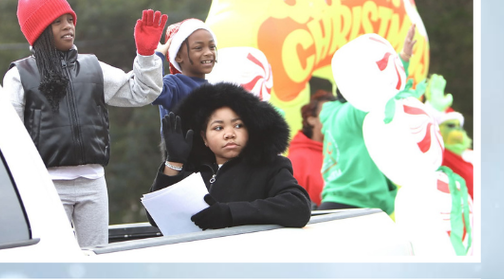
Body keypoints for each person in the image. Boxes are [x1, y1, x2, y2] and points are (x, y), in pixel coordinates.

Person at [4, 0, 166, 248]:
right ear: (40, 30)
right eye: (58, 22)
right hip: (47, 187)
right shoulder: (19, 75)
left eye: (70, 20)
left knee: (97, 261)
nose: (68, 26)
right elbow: (8, 137)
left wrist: (146, 55)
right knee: (54, 261)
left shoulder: (93, 67)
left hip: (93, 184)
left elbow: (141, 92)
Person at [152, 81, 312, 230]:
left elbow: (298, 207)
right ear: (204, 138)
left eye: (238, 125)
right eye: (218, 128)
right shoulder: (192, 172)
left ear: (250, 130)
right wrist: (174, 162)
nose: (229, 134)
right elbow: (156, 217)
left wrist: (231, 213)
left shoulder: (271, 166)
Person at [317, 29, 415, 212]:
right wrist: (403, 60)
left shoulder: (331, 114)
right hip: (360, 204)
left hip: (333, 201)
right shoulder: (357, 111)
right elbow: (388, 94)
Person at [152, 19, 218, 121]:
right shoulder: (174, 85)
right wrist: (157, 57)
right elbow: (154, 91)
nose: (208, 52)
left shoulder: (215, 91)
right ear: (178, 56)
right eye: (198, 48)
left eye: (212, 47)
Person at [289, 90, 338, 205]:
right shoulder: (297, 160)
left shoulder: (345, 154)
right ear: (311, 119)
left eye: (335, 115)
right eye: (326, 114)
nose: (333, 119)